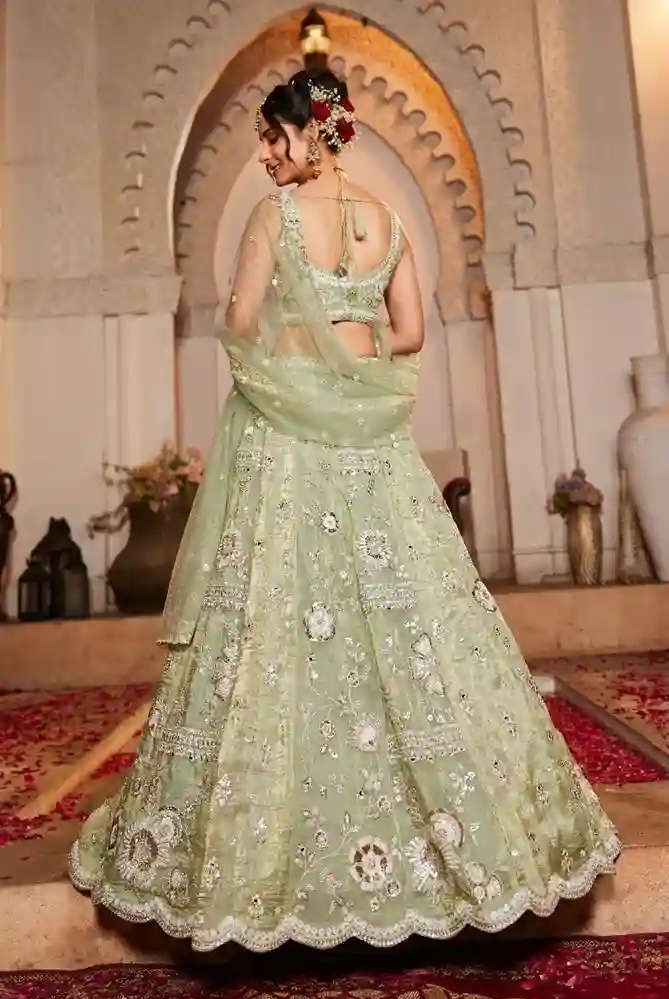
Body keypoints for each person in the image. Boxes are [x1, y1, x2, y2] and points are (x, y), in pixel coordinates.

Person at [69, 68, 620, 952]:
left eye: (272, 136)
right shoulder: (388, 223)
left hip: (287, 449)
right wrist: (347, 355)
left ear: (310, 133)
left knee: (274, 623)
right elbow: (410, 334)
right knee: (408, 620)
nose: (264, 153)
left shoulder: (273, 217)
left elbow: (239, 321)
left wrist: (297, 352)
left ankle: (260, 865)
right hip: (371, 443)